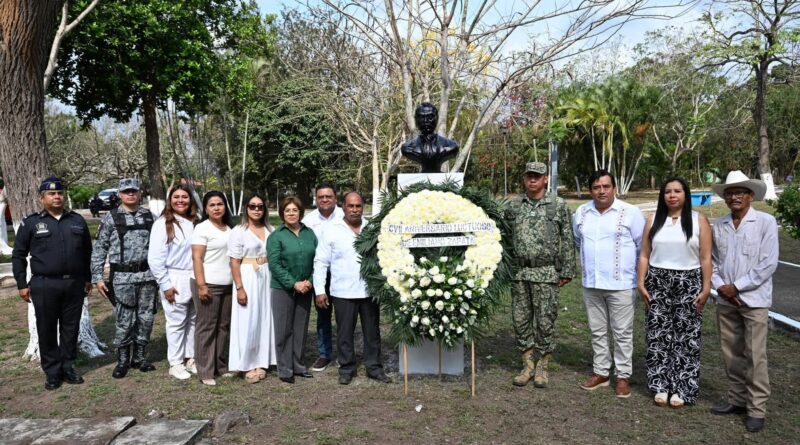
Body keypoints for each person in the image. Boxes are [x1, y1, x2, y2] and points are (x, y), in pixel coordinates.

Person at [708, 170, 779, 433]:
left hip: (754, 300)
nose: (734, 197)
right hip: (726, 301)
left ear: (750, 196)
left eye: (740, 192)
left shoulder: (765, 222)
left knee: (755, 355)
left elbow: (768, 263)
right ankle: (737, 400)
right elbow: (712, 262)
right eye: (730, 193)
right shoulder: (721, 224)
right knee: (731, 353)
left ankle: (757, 408)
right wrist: (721, 288)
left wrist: (736, 287)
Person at [637, 177, 712, 408]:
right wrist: (641, 282)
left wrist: (706, 287)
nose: (672, 195)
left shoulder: (699, 220)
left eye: (677, 191)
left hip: (688, 281)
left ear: (685, 194)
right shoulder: (653, 221)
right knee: (658, 334)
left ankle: (682, 388)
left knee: (686, 336)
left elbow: (706, 258)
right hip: (658, 281)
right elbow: (645, 255)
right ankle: (660, 385)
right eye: (668, 191)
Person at [12, 176, 92, 390]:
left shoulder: (76, 220)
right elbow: (18, 255)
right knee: (46, 329)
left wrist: (87, 278)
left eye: (59, 193)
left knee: (70, 328)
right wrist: (21, 283)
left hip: (74, 284)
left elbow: (86, 251)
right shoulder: (31, 223)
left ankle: (67, 366)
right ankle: (52, 372)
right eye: (51, 194)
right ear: (41, 198)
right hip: (44, 284)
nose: (57, 197)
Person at [572, 170, 645, 398]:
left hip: (622, 283)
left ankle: (623, 376)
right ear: (590, 190)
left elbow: (642, 245)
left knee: (622, 332)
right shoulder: (582, 213)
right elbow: (577, 241)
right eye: (596, 187)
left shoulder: (630, 213)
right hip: (592, 283)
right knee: (597, 330)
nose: (601, 191)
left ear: (614, 188)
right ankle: (601, 372)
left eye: (606, 186)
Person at [507, 162, 575, 388]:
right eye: (529, 176)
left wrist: (567, 270)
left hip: (546, 273)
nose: (533, 180)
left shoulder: (557, 205)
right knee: (520, 320)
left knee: (545, 322)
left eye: (537, 176)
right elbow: (505, 238)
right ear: (524, 179)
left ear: (545, 179)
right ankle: (527, 365)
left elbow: (567, 238)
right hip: (520, 273)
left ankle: (542, 367)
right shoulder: (514, 206)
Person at [314, 192, 391, 385]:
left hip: (368, 290)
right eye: (351, 206)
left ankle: (374, 367)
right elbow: (321, 261)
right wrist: (320, 290)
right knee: (344, 333)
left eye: (358, 206)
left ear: (363, 207)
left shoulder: (372, 228)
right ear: (344, 207)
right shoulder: (332, 230)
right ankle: (346, 368)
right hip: (342, 291)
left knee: (372, 332)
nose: (355, 210)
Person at [91, 178, 158, 379]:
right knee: (124, 320)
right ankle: (122, 360)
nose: (130, 194)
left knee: (146, 318)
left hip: (147, 277)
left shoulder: (150, 217)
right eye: (126, 192)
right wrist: (97, 277)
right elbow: (99, 249)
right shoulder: (111, 218)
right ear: (119, 194)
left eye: (134, 191)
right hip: (122, 278)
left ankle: (139, 357)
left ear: (139, 193)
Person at [148, 184, 199, 380]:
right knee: (176, 321)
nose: (180, 201)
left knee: (193, 319)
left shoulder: (195, 222)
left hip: (194, 276)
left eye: (184, 197)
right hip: (174, 276)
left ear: (191, 200)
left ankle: (191, 357)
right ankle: (175, 362)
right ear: (170, 200)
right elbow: (155, 258)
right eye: (176, 197)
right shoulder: (162, 224)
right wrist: (165, 284)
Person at [267, 196, 317, 384]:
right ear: (282, 213)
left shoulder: (309, 234)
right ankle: (285, 368)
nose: (291, 213)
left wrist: (309, 282)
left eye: (294, 210)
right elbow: (274, 264)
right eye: (287, 210)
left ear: (300, 212)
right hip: (283, 289)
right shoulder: (276, 236)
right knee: (284, 329)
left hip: (306, 288)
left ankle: (298, 365)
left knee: (300, 328)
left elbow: (317, 260)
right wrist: (293, 283)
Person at [229, 194, 277, 384]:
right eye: (252, 206)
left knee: (265, 318)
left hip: (267, 275)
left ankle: (262, 361)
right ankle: (248, 363)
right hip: (247, 275)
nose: (256, 209)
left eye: (260, 206)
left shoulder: (270, 229)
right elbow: (234, 261)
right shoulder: (239, 231)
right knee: (248, 318)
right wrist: (240, 287)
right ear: (246, 208)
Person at [191, 191, 234, 386]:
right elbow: (197, 258)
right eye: (212, 205)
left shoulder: (230, 228)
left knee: (223, 326)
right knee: (206, 327)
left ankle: (220, 365)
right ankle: (205, 370)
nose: (217, 208)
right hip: (207, 284)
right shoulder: (202, 228)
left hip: (228, 285)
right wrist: (202, 285)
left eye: (220, 204)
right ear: (206, 209)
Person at [301, 183, 343, 372]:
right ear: (316, 199)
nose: (324, 200)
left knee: (344, 317)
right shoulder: (308, 221)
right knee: (323, 315)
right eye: (321, 197)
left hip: (342, 274)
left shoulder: (344, 216)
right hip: (319, 274)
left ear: (335, 197)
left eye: (328, 196)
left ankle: (344, 354)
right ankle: (324, 354)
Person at [400, 102, 460, 173]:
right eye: (422, 117)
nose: (425, 121)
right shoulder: (407, 148)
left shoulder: (451, 146)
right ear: (416, 120)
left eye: (430, 117)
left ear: (436, 118)